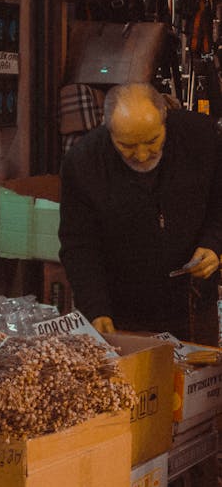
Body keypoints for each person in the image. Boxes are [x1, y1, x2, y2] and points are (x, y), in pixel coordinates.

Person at [59, 82, 222, 344]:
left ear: (165, 119)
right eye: (127, 145)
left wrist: (214, 244)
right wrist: (96, 307)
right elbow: (78, 243)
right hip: (121, 310)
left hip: (193, 302)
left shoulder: (201, 137)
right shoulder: (83, 162)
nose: (143, 154)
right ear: (107, 129)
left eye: (152, 141)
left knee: (197, 381)